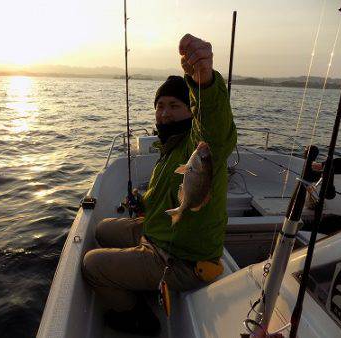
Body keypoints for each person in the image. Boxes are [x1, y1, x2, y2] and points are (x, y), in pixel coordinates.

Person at [82, 34, 237, 335]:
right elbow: (162, 194)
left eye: (175, 105)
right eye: (160, 106)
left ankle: (137, 317)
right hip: (160, 233)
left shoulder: (201, 143)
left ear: (191, 110)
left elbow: (215, 128)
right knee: (102, 229)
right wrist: (142, 202)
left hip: (181, 259)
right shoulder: (169, 150)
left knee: (91, 264)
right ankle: (137, 269)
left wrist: (204, 83)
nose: (165, 113)